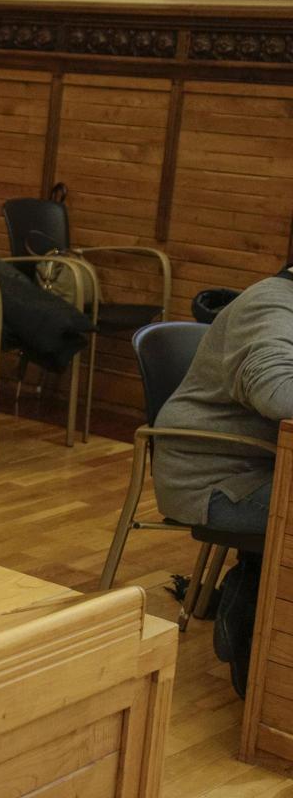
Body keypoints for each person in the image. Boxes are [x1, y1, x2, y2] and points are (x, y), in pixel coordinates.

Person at [153, 267, 293, 695]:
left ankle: (253, 599)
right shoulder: (271, 304)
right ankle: (263, 653)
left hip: (265, 467)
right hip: (216, 481)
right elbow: (277, 392)